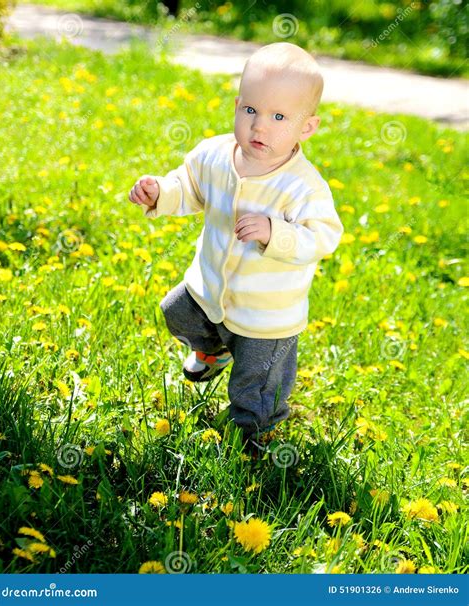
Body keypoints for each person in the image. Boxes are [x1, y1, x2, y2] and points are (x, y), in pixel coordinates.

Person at [128, 42, 344, 443]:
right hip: (210, 287)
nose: (259, 126)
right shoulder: (215, 155)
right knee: (177, 312)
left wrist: (275, 233)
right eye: (250, 111)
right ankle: (212, 350)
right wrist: (161, 192)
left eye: (279, 116)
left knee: (257, 382)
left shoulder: (303, 186)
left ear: (306, 127)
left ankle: (250, 436)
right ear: (236, 105)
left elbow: (323, 236)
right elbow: (188, 186)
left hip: (267, 316)